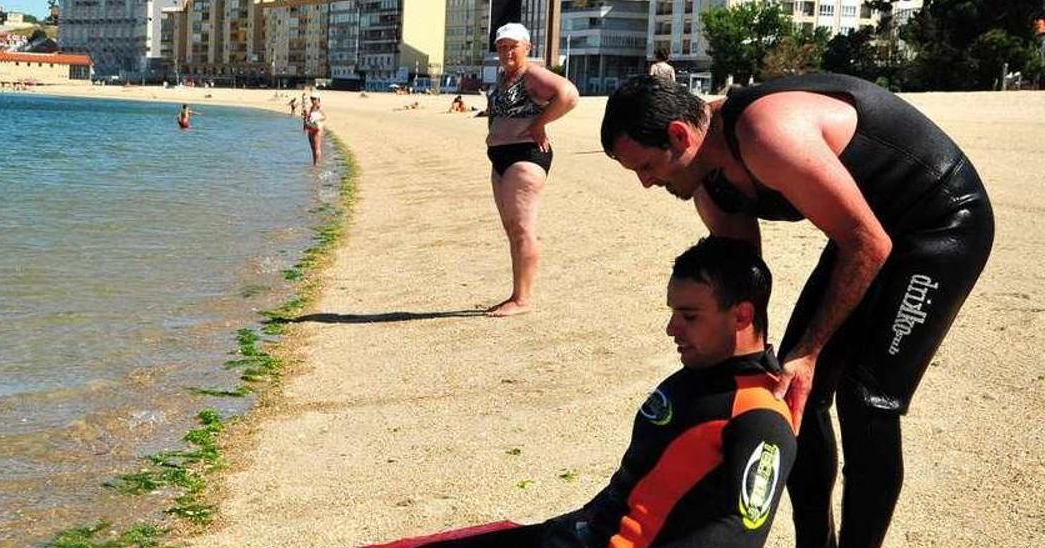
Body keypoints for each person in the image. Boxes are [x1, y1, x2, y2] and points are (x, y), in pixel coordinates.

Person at [599, 74, 995, 548]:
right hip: (867, 231)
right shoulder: (710, 183)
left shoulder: (768, 135)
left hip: (940, 222)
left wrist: (809, 352)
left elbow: (867, 244)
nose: (646, 183)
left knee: (867, 399)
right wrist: (741, 370)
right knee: (791, 390)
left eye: (645, 166)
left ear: (681, 135)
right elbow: (741, 288)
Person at [418, 236, 796, 548]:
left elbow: (741, 532)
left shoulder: (760, 415)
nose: (671, 328)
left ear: (742, 316)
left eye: (689, 316)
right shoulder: (693, 378)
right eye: (673, 313)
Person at [483, 22, 579, 317]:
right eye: (501, 46)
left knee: (522, 227)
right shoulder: (504, 77)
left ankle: (522, 299)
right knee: (512, 229)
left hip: (524, 156)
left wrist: (539, 124)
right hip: (501, 157)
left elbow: (569, 94)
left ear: (527, 48)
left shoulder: (531, 74)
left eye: (513, 46)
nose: (507, 51)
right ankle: (516, 293)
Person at [302, 94, 326, 165]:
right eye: (312, 99)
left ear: (318, 99)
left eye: (314, 99)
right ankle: (314, 163)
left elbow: (324, 117)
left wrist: (317, 119)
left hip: (317, 128)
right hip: (311, 128)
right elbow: (308, 117)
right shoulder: (312, 107)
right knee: (313, 148)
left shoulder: (319, 107)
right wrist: (305, 126)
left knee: (317, 147)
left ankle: (317, 164)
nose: (313, 100)